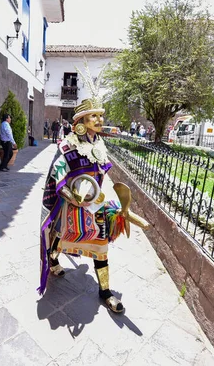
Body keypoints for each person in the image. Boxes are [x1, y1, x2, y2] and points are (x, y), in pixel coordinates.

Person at [38, 97, 148, 313]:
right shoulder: (68, 145)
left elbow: (100, 174)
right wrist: (74, 197)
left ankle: (105, 291)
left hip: (95, 205)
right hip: (71, 206)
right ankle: (52, 261)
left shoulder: (99, 144)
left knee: (101, 246)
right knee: (59, 239)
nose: (99, 120)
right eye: (94, 116)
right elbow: (58, 178)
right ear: (81, 121)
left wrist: (98, 199)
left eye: (100, 116)